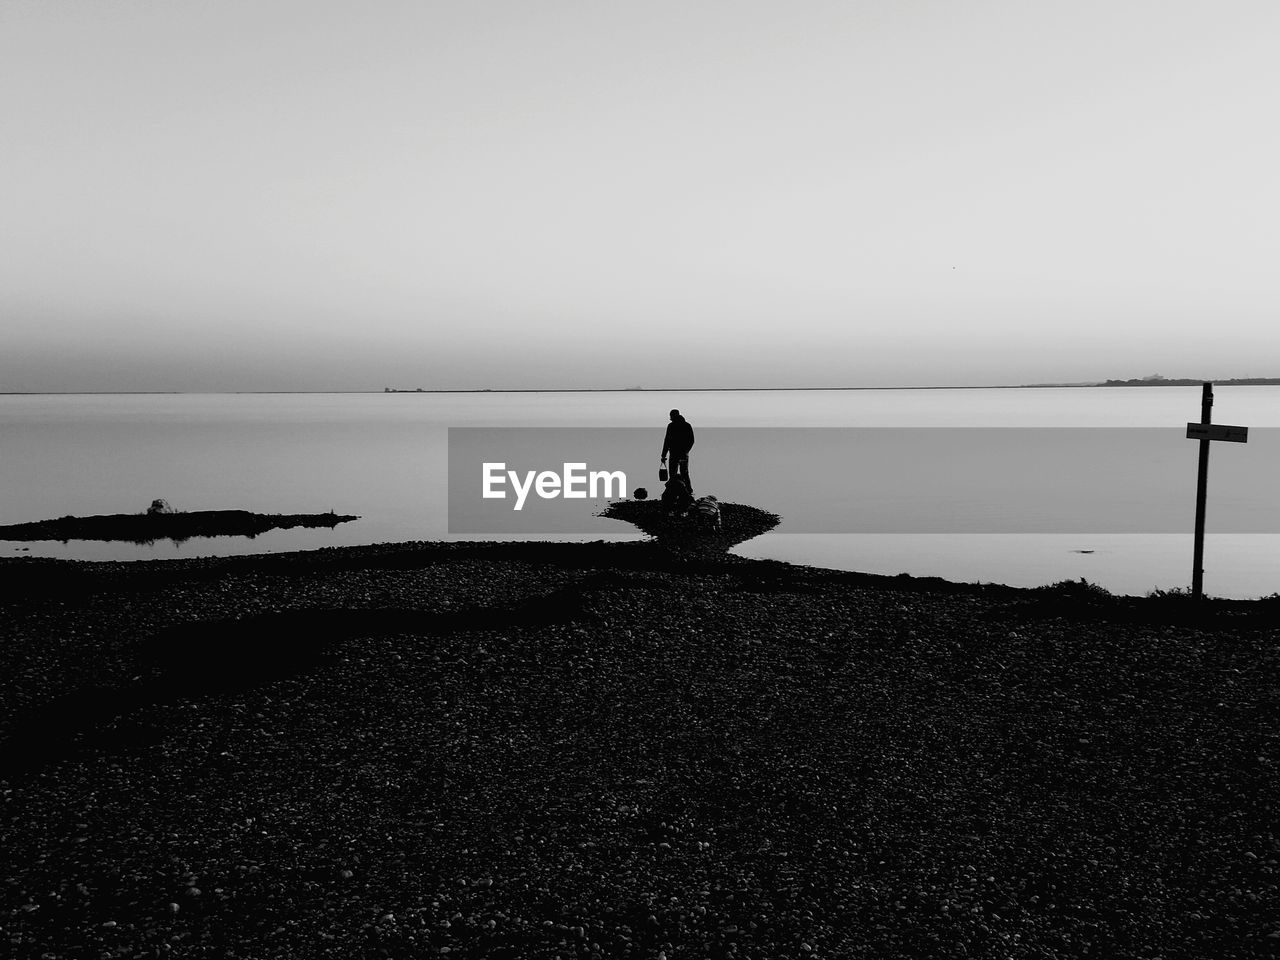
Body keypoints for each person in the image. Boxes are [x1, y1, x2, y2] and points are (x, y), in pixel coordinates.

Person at [660, 409, 694, 494]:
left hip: (674, 454)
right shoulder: (687, 425)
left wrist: (663, 455)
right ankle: (688, 491)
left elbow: (667, 441)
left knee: (673, 474)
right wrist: (686, 451)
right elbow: (691, 441)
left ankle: (672, 491)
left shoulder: (671, 426)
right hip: (683, 454)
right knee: (684, 473)